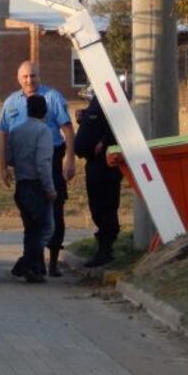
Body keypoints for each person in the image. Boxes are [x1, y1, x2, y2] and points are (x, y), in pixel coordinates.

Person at [0, 61, 75, 277]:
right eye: (25, 77)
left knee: (54, 213)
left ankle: (51, 262)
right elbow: (3, 133)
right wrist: (3, 166)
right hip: (25, 166)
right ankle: (33, 263)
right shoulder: (11, 102)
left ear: (39, 76)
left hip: (50, 160)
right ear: (18, 78)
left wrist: (70, 159)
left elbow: (67, 129)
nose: (29, 80)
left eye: (33, 76)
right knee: (32, 219)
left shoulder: (52, 97)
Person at [4, 94, 56, 283]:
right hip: (36, 186)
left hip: (21, 185)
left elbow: (9, 158)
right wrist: (50, 188)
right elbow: (43, 163)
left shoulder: (16, 130)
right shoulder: (44, 131)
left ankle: (32, 268)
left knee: (31, 229)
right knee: (45, 228)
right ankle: (24, 264)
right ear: (44, 110)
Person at [74, 95, 122, 268]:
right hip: (93, 163)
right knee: (96, 207)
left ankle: (106, 249)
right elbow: (97, 121)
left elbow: (117, 123)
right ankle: (102, 246)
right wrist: (83, 116)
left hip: (106, 165)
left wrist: (104, 141)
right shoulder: (96, 99)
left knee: (106, 206)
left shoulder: (114, 98)